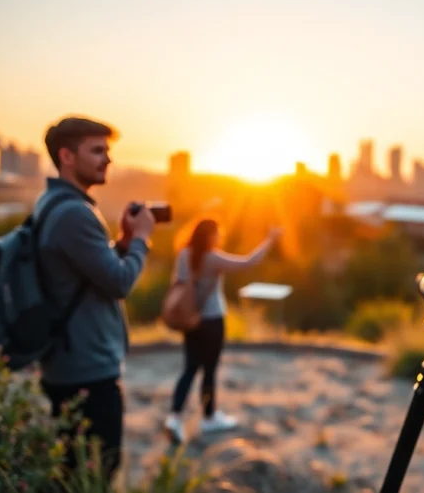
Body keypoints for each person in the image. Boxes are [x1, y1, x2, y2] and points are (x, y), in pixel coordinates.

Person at [34, 116, 155, 485]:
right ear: (67, 156)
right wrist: (141, 241)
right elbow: (119, 282)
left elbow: (89, 273)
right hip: (86, 370)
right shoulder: (74, 213)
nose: (108, 159)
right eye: (97, 150)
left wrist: (120, 242)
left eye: (108, 151)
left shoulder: (55, 203)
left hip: (70, 361)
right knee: (94, 473)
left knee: (76, 469)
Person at [164, 217, 280, 443]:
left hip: (190, 320)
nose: (220, 237)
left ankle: (175, 418)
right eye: (218, 233)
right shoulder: (212, 258)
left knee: (189, 368)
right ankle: (209, 418)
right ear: (211, 236)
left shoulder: (183, 255)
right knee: (209, 370)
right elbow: (248, 262)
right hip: (212, 320)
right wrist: (270, 239)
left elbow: (178, 283)